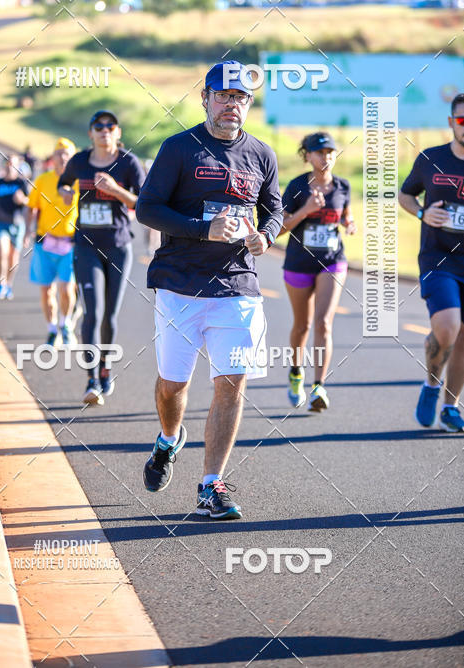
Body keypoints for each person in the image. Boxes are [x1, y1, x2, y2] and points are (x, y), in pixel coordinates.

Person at [135, 61, 283, 520]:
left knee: (230, 383)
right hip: (179, 285)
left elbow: (274, 209)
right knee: (172, 386)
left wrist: (267, 236)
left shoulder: (262, 154)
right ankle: (168, 439)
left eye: (239, 98)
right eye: (223, 96)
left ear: (248, 104)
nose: (230, 105)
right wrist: (203, 229)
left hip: (239, 286)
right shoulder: (179, 148)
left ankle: (209, 485)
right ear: (205, 98)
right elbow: (147, 209)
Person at [58, 110, 145, 405]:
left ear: (117, 133)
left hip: (119, 247)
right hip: (86, 246)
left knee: (109, 315)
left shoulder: (128, 163)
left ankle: (106, 370)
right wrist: (65, 193)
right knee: (92, 312)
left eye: (110, 126)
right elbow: (64, 183)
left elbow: (144, 203)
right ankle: (92, 379)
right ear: (91, 133)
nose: (105, 130)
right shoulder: (80, 161)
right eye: (99, 126)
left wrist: (116, 190)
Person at [399, 93, 464, 433]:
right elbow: (405, 194)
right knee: (447, 328)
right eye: (463, 120)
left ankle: (450, 408)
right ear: (451, 123)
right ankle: (431, 384)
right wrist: (424, 213)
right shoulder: (431, 159)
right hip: (438, 258)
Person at [277, 132, 356, 412]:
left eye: (331, 152)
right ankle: (296, 371)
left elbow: (344, 214)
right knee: (303, 326)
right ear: (307, 156)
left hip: (332, 260)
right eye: (320, 152)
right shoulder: (297, 187)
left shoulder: (343, 186)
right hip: (299, 262)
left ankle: (319, 386)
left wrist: (349, 223)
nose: (326, 157)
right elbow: (280, 227)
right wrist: (306, 211)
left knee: (323, 323)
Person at [26, 138, 80, 347]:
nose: (63, 157)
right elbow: (31, 207)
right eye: (59, 153)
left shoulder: (78, 182)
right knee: (46, 290)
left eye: (67, 154)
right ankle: (51, 330)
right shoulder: (43, 180)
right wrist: (27, 230)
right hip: (45, 242)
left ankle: (66, 325)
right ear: (53, 157)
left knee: (66, 289)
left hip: (69, 244)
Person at [0, 154, 29, 300]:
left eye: (13, 164)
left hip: (17, 224)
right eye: (8, 164)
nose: (10, 166)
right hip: (1, 222)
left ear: (18, 167)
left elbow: (30, 204)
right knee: (2, 251)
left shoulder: (21, 184)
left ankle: (9, 285)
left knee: (13, 258)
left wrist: (22, 199)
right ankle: (1, 282)